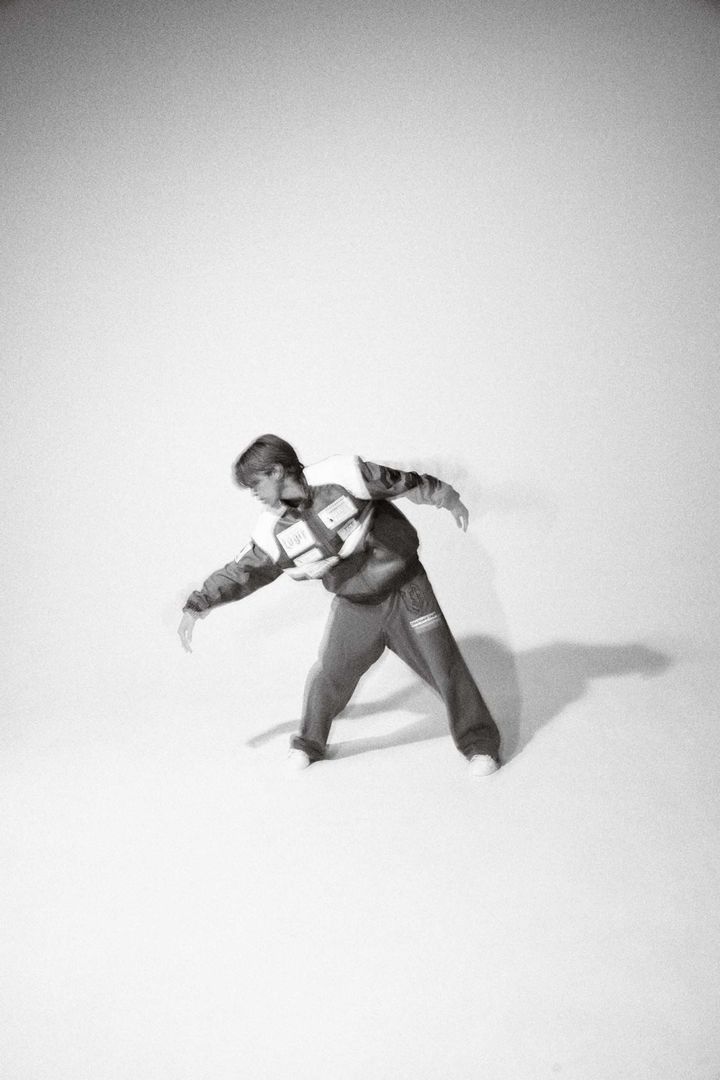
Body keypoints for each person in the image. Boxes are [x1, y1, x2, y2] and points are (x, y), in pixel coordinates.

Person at [178, 435, 501, 777]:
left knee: (444, 665)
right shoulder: (273, 531)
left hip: (406, 590)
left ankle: (480, 745)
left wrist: (445, 496)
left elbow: (400, 481)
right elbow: (241, 571)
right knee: (329, 675)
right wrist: (198, 604)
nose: (253, 493)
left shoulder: (343, 476)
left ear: (276, 471)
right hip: (356, 605)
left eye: (255, 483)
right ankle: (309, 745)